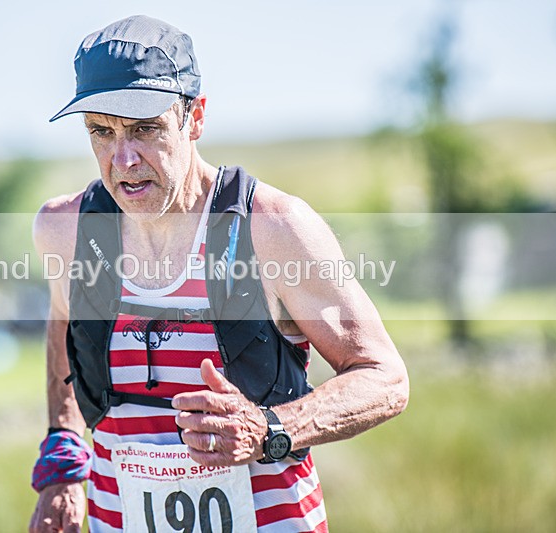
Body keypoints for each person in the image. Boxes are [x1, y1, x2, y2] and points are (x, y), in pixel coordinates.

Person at [29, 15, 409, 533]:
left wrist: (269, 428)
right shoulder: (67, 230)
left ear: (195, 117)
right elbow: (63, 331)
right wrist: (63, 466)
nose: (124, 158)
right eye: (101, 131)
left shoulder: (271, 228)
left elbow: (384, 377)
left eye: (145, 128)